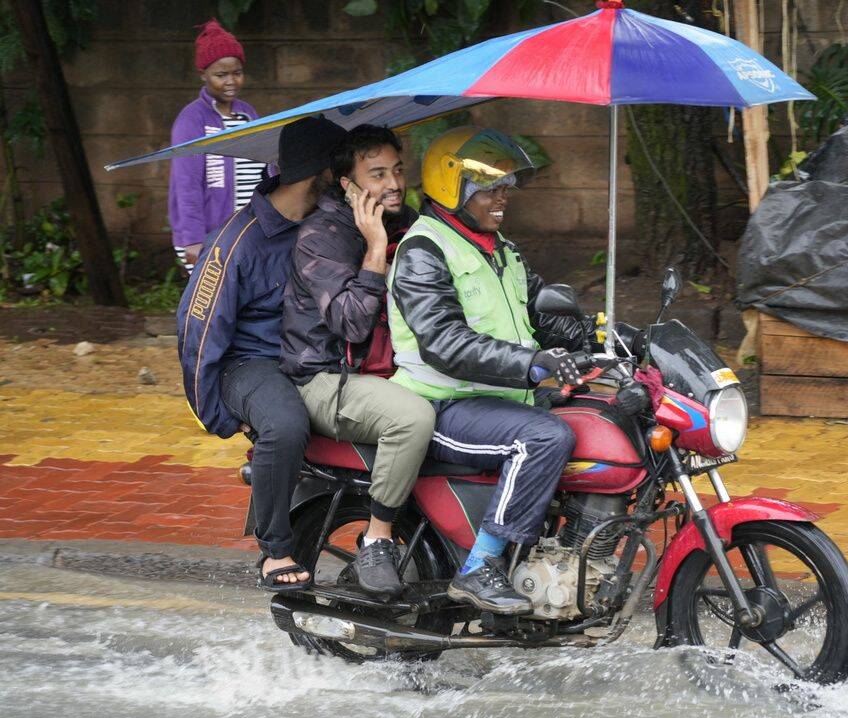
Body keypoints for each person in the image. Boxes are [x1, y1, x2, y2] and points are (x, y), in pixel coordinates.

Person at [387, 127, 593, 615]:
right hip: (440, 404)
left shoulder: (500, 248)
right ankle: (480, 567)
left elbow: (541, 315)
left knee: (598, 413)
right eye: (490, 186)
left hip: (498, 399)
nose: (504, 195)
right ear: (450, 185)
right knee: (544, 438)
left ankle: (559, 553)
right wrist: (532, 363)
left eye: (506, 186)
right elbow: (444, 344)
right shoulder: (424, 251)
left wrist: (608, 339)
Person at [177, 116, 348, 591]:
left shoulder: (329, 219)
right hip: (251, 365)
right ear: (322, 173)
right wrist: (221, 418)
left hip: (313, 356)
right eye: (345, 166)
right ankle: (276, 549)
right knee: (285, 423)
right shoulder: (236, 242)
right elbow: (198, 333)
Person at [281, 125, 434, 597]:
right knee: (412, 419)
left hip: (387, 369)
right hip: (327, 378)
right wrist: (373, 249)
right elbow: (350, 326)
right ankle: (378, 537)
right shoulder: (321, 237)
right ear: (348, 184)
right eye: (377, 174)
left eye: (398, 170)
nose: (393, 183)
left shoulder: (407, 222)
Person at [169, 19, 268, 273]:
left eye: (237, 73)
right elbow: (186, 184)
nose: (231, 81)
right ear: (204, 75)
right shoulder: (192, 119)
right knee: (211, 305)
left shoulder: (248, 114)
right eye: (220, 75)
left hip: (247, 230)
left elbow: (264, 167)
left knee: (242, 302)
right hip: (208, 235)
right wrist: (192, 238)